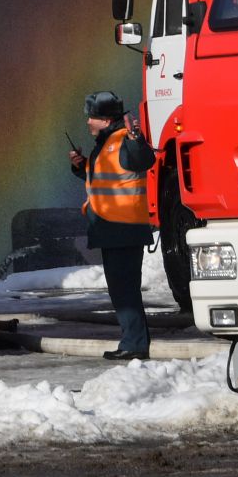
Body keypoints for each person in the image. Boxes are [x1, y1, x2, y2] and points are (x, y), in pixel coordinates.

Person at [68, 90, 155, 361]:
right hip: (112, 229)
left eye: (92, 118)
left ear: (105, 120)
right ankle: (131, 341)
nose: (88, 122)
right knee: (121, 290)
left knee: (125, 291)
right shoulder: (105, 145)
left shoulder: (122, 141)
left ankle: (135, 345)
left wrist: (136, 138)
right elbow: (106, 178)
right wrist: (80, 166)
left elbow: (143, 160)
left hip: (123, 228)